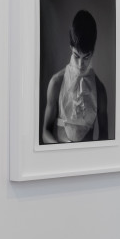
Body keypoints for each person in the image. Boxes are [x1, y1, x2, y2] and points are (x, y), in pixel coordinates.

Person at [42, 9, 109, 144]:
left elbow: (104, 137)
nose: (80, 64)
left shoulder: (100, 90)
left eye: (86, 57)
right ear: (70, 48)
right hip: (60, 161)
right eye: (76, 56)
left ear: (93, 51)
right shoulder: (56, 83)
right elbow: (45, 132)